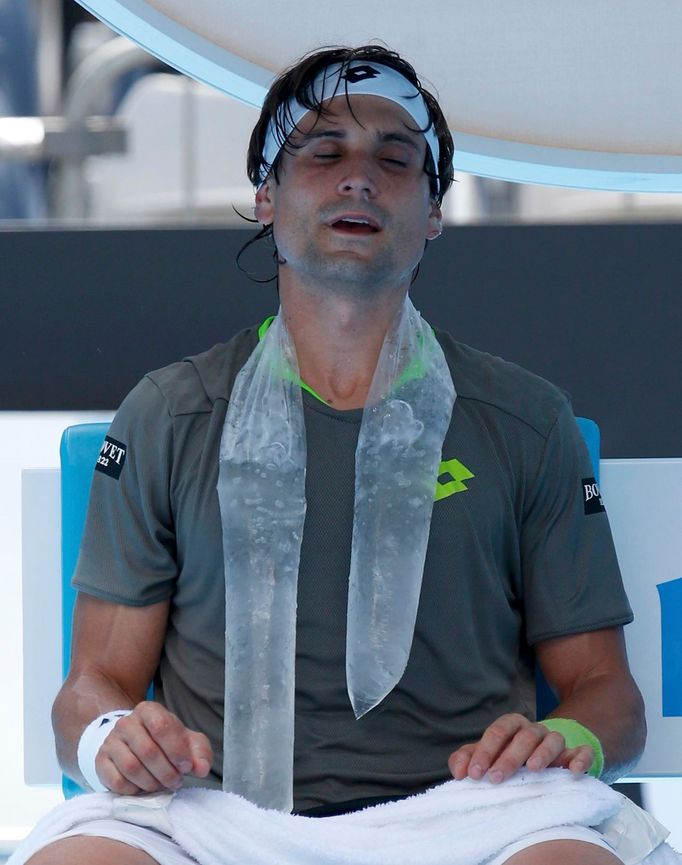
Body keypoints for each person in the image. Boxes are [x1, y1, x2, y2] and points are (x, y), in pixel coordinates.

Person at [18, 44, 650, 865]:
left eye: (397, 158)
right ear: (265, 194)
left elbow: (612, 697)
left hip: (473, 815)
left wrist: (565, 738)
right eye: (325, 151)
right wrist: (114, 734)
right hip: (211, 814)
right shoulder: (167, 413)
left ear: (433, 213)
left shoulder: (526, 418)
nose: (360, 177)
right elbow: (87, 690)